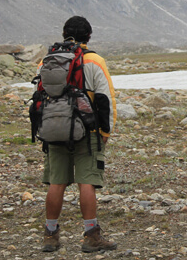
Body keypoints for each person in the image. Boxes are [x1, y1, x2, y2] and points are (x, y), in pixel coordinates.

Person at [41, 16, 118, 253]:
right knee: (87, 182)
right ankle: (91, 236)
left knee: (57, 182)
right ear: (89, 36)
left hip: (54, 130)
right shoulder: (95, 61)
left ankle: (50, 235)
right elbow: (105, 99)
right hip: (88, 131)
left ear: (64, 34)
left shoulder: (48, 61)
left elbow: (41, 99)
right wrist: (105, 131)